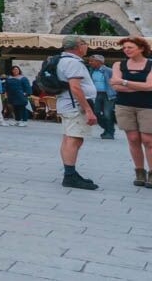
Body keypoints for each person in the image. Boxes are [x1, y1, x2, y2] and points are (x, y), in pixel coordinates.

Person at [55, 35, 100, 189]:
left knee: (69, 138)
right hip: (75, 107)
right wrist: (88, 110)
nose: (86, 46)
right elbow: (75, 87)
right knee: (75, 139)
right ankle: (70, 176)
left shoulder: (64, 60)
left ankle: (70, 173)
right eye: (84, 43)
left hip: (67, 104)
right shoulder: (73, 63)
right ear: (77, 46)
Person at [109, 36, 152, 188]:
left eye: (130, 47)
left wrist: (125, 82)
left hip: (148, 107)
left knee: (148, 140)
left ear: (141, 48)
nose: (126, 50)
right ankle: (140, 172)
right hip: (124, 106)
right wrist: (139, 86)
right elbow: (115, 86)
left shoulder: (151, 64)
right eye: (124, 48)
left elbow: (150, 87)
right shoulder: (118, 65)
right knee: (133, 139)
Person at [88, 54, 117, 140]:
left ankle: (109, 133)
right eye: (89, 61)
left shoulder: (109, 71)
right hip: (96, 94)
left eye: (92, 61)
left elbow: (116, 81)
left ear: (99, 62)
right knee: (96, 112)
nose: (90, 62)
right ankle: (108, 129)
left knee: (107, 114)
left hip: (108, 94)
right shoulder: (91, 70)